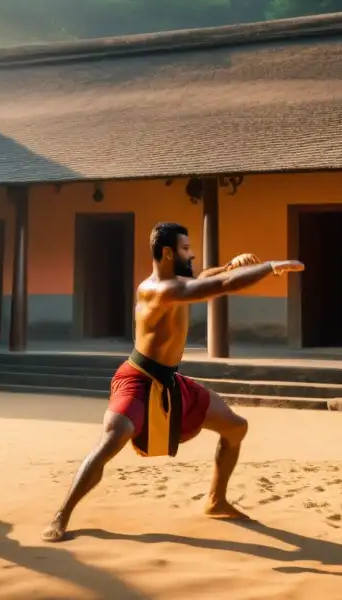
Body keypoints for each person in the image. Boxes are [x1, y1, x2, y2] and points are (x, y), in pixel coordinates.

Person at [42, 222, 304, 542]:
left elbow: (205, 279)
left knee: (236, 427)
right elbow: (218, 287)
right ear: (167, 253)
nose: (191, 254)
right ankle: (62, 514)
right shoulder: (158, 290)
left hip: (170, 382)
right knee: (113, 439)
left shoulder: (175, 283)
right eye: (185, 249)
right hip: (137, 379)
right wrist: (269, 267)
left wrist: (227, 265)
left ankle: (215, 500)